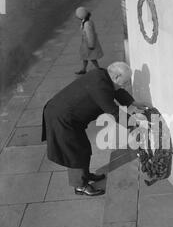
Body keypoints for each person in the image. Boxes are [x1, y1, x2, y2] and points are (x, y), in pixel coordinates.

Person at [41, 62, 148, 196]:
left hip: (67, 116)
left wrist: (133, 102)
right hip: (62, 119)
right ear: (116, 76)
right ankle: (80, 186)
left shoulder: (103, 75)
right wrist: (136, 124)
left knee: (83, 147)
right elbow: (114, 111)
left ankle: (84, 176)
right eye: (125, 81)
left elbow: (116, 90)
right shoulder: (100, 86)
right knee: (75, 152)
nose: (126, 85)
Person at [75, 6, 104, 75]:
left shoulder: (87, 24)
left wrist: (91, 45)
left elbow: (90, 35)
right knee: (85, 56)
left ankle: (98, 68)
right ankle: (84, 69)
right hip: (86, 43)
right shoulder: (86, 21)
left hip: (88, 43)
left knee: (91, 57)